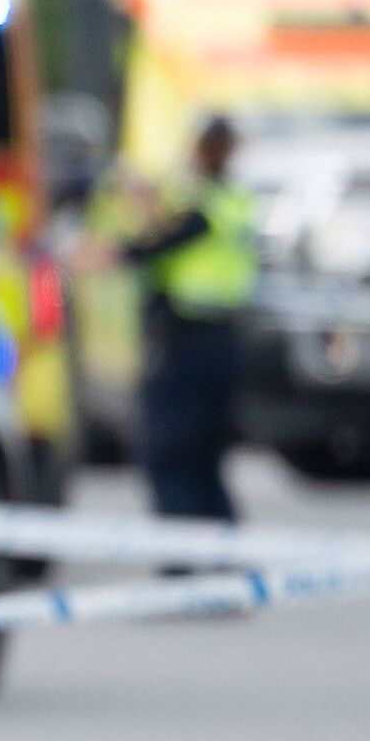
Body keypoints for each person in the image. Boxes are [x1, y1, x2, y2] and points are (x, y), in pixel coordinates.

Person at [120, 110, 261, 526]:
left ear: (199, 150)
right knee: (206, 463)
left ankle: (185, 570)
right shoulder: (234, 202)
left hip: (185, 346)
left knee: (171, 458)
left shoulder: (201, 208)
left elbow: (144, 248)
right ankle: (221, 564)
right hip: (224, 343)